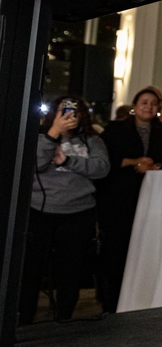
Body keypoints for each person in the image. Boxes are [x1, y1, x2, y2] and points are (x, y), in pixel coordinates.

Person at [18, 95, 110, 324]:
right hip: (40, 211)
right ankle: (24, 322)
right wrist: (53, 133)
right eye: (63, 110)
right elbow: (35, 165)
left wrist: (68, 161)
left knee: (69, 272)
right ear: (54, 114)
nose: (69, 115)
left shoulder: (93, 140)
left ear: (82, 115)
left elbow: (102, 169)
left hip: (78, 213)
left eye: (73, 111)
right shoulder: (40, 137)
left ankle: (64, 322)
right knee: (31, 271)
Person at [95, 87, 162, 313]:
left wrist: (154, 165)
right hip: (118, 200)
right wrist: (135, 162)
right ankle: (110, 303)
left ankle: (141, 300)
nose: (149, 107)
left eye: (153, 103)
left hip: (153, 200)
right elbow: (105, 161)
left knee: (146, 250)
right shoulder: (115, 128)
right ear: (134, 106)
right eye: (144, 102)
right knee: (116, 252)